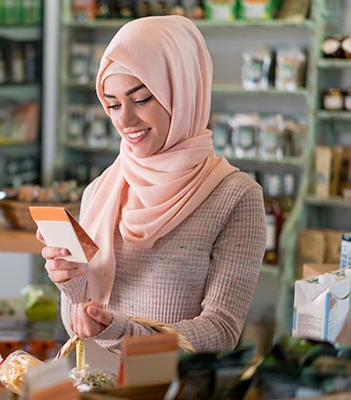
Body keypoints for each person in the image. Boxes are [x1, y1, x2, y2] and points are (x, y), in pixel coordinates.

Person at [38, 15, 267, 353]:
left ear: (183, 91)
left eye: (141, 99)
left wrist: (125, 332)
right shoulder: (100, 191)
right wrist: (71, 284)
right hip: (99, 385)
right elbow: (79, 325)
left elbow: (221, 331)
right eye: (113, 105)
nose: (124, 120)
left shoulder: (235, 197)